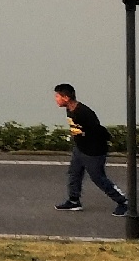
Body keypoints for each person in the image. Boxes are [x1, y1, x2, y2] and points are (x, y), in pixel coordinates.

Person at [54, 83, 127, 215]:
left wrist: (98, 148)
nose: (55, 99)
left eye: (57, 96)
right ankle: (74, 201)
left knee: (98, 178)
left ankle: (124, 202)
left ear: (66, 97)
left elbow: (98, 131)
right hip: (80, 149)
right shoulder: (70, 109)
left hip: (94, 151)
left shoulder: (84, 112)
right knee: (74, 174)